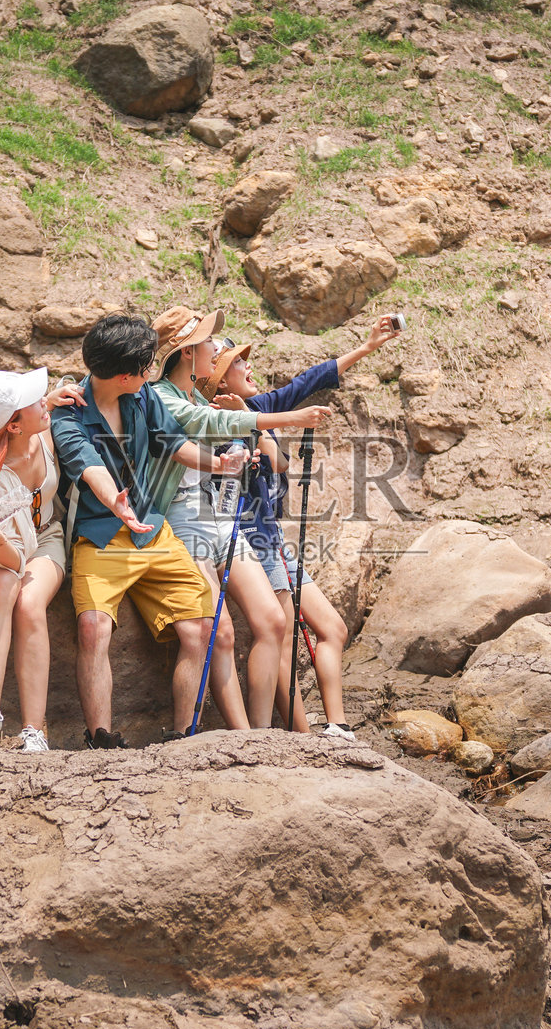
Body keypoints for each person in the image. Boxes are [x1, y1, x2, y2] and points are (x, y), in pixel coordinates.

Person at [50, 314, 248, 749]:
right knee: (93, 627)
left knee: (200, 629)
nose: (151, 375)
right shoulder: (69, 411)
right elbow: (86, 463)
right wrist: (114, 503)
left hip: (153, 531)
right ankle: (101, 739)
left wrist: (218, 464)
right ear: (125, 375)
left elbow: (171, 442)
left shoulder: (142, 398)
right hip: (101, 534)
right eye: (145, 370)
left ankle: (182, 736)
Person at [202, 313, 402, 738]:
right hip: (251, 544)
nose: (249, 366)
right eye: (239, 363)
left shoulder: (259, 407)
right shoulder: (211, 424)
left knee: (333, 629)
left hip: (275, 545)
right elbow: (278, 461)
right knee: (283, 635)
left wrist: (366, 348)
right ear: (220, 382)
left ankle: (337, 726)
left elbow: (309, 381)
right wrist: (248, 426)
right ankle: (300, 736)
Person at [147, 306, 333, 731]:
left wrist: (229, 459)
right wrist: (291, 419)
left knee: (273, 620)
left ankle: (263, 732)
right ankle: (240, 737)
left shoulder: (193, 395)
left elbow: (215, 429)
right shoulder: (161, 397)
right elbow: (211, 422)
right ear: (188, 353)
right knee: (221, 633)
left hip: (219, 520)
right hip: (183, 522)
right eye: (209, 342)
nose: (217, 348)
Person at [0, 367, 83, 752]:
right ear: (13, 426)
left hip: (45, 537)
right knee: (6, 583)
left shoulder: (44, 432)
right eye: (34, 401)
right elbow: (7, 559)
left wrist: (52, 400)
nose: (44, 402)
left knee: (29, 602)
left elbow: (32, 545)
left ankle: (34, 731)